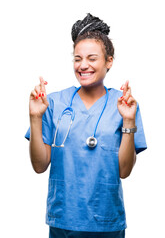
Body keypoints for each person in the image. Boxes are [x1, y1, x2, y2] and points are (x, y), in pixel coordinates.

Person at [25, 13, 147, 238]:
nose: (83, 66)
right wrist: (35, 117)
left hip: (106, 221)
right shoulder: (53, 102)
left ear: (109, 61)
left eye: (92, 58)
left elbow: (124, 171)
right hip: (64, 220)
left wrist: (128, 120)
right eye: (77, 58)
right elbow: (39, 166)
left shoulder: (124, 105)